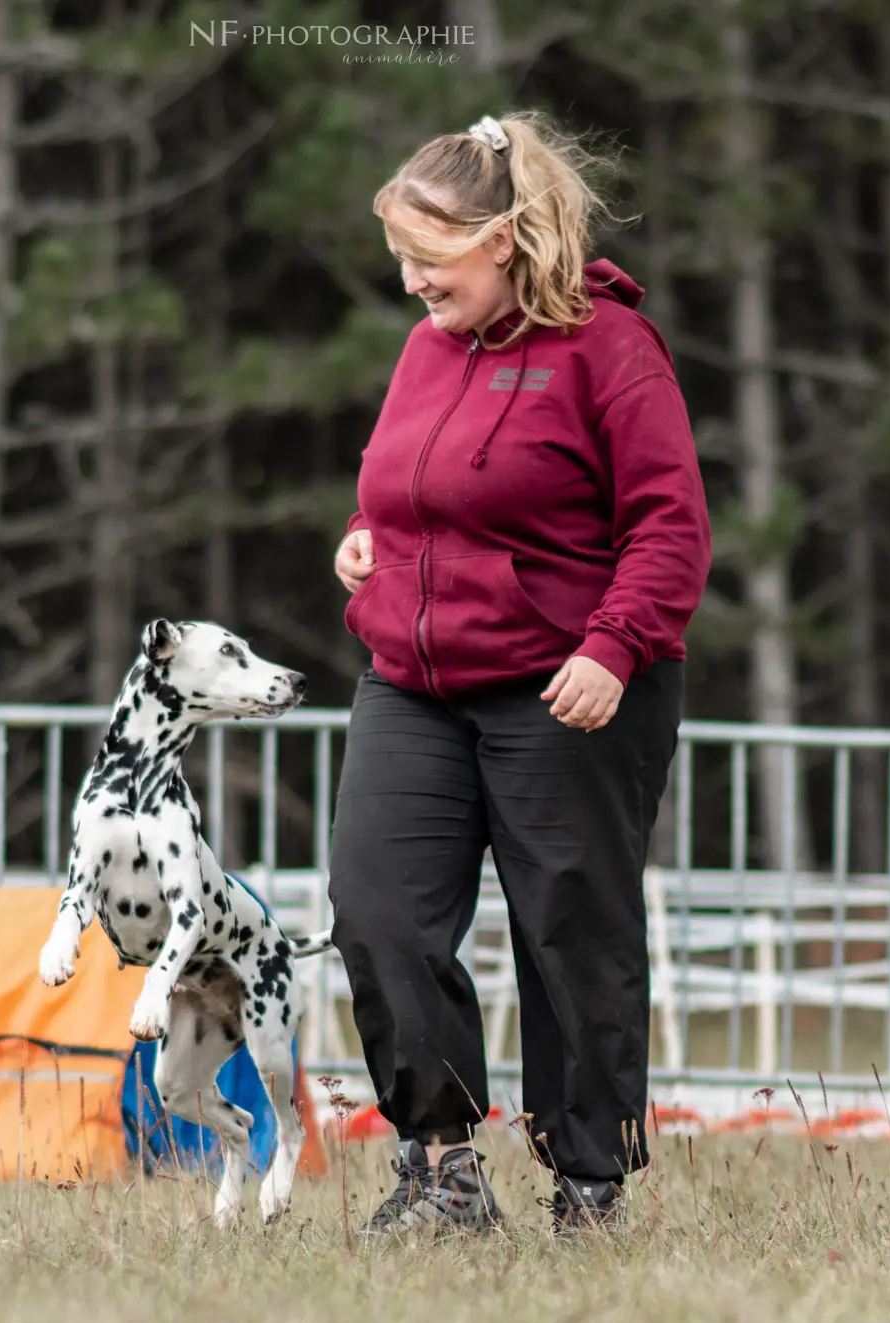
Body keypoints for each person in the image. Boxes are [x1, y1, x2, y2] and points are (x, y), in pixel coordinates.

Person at [327, 111, 712, 1236]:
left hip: (570, 683)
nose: (408, 281)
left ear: (501, 237)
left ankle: (586, 1182)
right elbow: (407, 487)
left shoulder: (609, 349)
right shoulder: (424, 348)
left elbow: (669, 528)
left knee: (569, 929)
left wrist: (613, 645)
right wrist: (363, 536)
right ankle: (441, 1169)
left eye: (426, 255)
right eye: (398, 254)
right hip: (413, 679)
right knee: (377, 911)